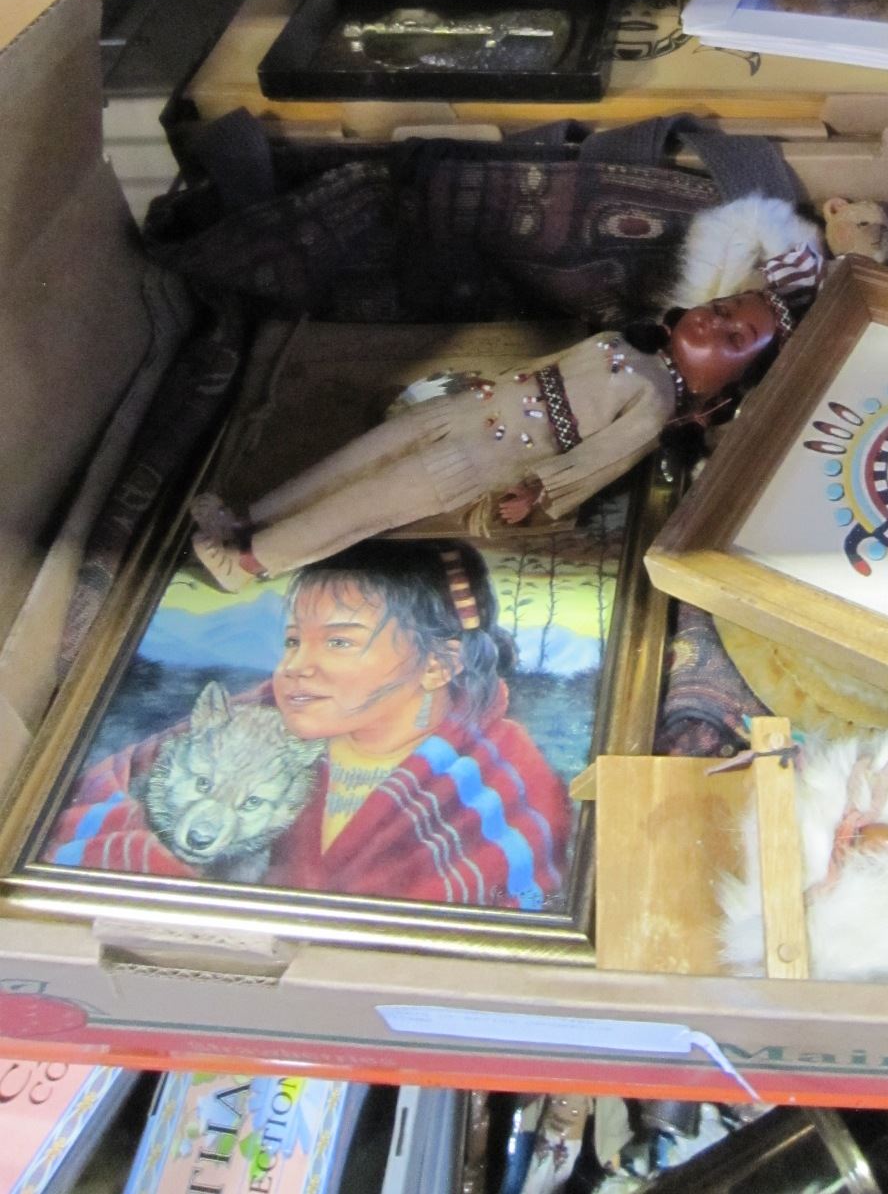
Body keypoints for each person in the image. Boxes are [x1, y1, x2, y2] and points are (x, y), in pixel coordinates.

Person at [45, 541, 570, 911]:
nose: (295, 666)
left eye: (338, 642)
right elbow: (84, 806)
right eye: (294, 641)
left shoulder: (503, 780)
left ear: (438, 664)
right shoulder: (255, 720)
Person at [191, 289, 793, 591]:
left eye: (734, 338)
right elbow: (548, 365)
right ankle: (251, 519)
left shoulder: (654, 402)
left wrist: (537, 492)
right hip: (466, 410)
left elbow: (600, 460)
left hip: (487, 458)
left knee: (365, 503)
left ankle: (250, 560)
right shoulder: (622, 342)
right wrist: (490, 381)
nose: (716, 322)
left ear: (727, 387)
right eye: (722, 307)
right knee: (348, 462)